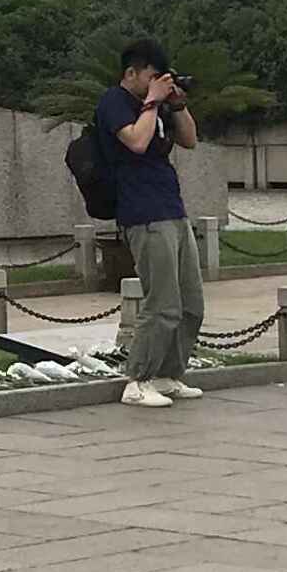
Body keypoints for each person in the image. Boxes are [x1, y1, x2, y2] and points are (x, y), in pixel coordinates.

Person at [96, 40, 203, 409]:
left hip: (172, 207)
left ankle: (168, 374)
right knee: (162, 303)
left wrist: (177, 104)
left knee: (190, 303)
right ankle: (138, 380)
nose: (158, 83)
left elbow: (190, 140)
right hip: (143, 213)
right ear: (131, 73)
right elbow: (137, 142)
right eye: (153, 76)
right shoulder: (114, 102)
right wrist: (152, 103)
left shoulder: (158, 105)